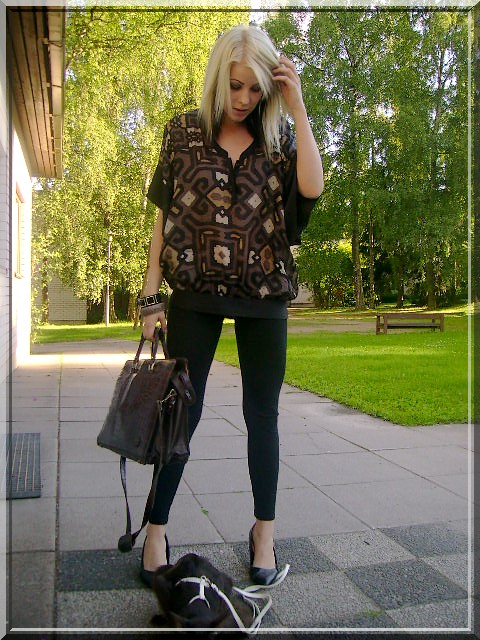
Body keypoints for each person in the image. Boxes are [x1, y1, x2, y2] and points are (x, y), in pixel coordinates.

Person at [137, 24, 323, 588]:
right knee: (182, 413)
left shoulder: (279, 137)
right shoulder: (182, 133)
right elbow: (162, 219)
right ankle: (155, 531)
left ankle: (263, 533)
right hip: (194, 294)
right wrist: (150, 296)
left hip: (264, 294)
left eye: (255, 88)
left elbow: (311, 190)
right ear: (219, 79)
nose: (243, 99)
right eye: (235, 86)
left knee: (261, 415)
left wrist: (297, 108)